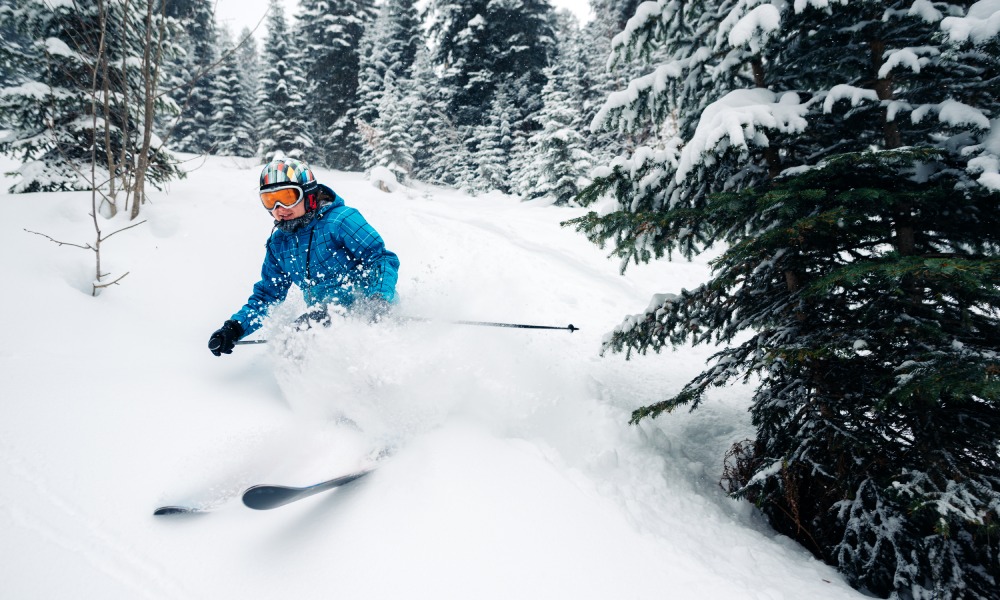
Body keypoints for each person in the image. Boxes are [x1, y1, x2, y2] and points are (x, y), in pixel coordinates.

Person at [209, 158, 400, 356]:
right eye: (269, 200)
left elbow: (381, 258)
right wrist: (234, 328)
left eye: (287, 197)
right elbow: (268, 296)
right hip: (325, 317)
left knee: (301, 335)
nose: (279, 208)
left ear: (308, 194)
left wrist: (379, 300)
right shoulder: (279, 244)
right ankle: (315, 386)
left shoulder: (340, 220)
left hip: (369, 308)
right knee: (292, 342)